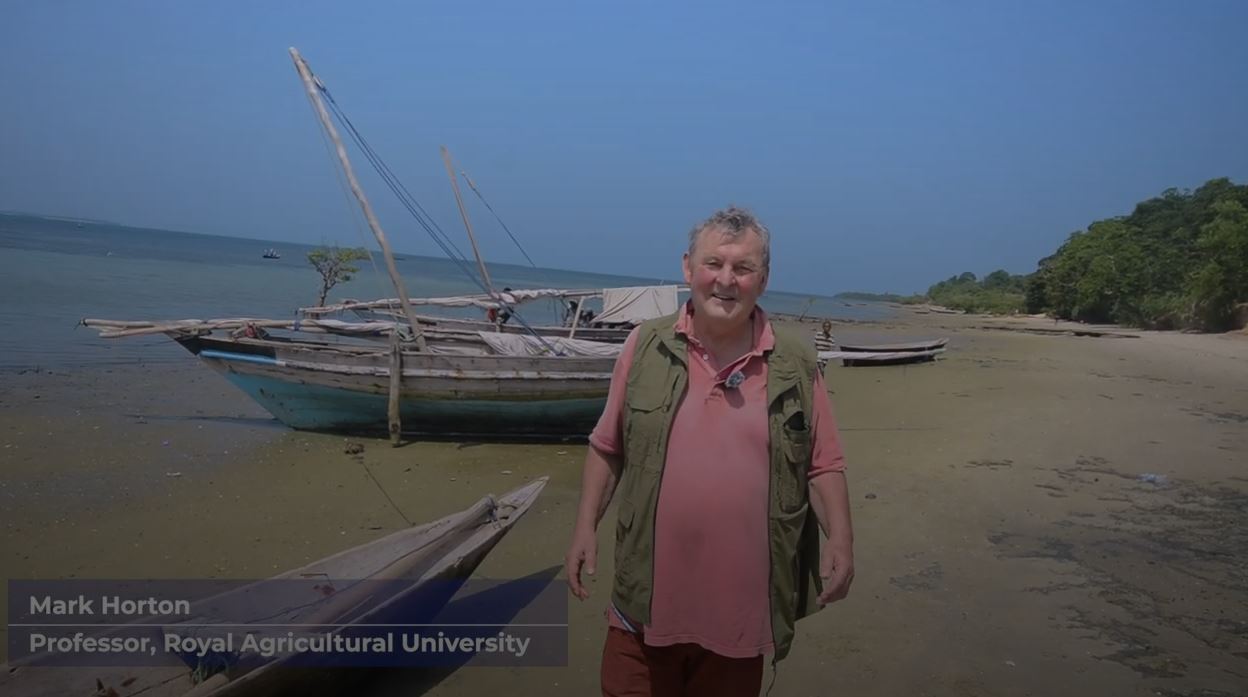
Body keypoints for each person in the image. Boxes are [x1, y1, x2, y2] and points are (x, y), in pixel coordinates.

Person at [565, 206, 855, 697]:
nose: (726, 280)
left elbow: (822, 463)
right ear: (687, 269)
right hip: (644, 605)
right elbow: (607, 446)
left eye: (743, 268)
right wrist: (584, 527)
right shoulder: (643, 346)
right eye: (713, 264)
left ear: (763, 280)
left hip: (742, 614)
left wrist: (842, 541)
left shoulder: (795, 362)